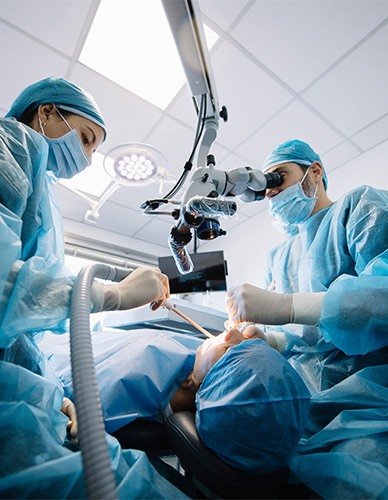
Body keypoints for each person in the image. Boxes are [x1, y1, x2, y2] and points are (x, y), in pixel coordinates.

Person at [0, 77, 185, 499]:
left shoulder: (41, 188)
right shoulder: (9, 145)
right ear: (46, 111)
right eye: (85, 138)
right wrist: (112, 295)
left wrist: (54, 399)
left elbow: (20, 333)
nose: (86, 155)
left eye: (94, 147)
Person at [225, 139, 388, 499]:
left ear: (314, 171)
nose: (273, 193)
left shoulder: (361, 208)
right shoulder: (280, 257)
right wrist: (270, 340)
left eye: (279, 178)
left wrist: (288, 307)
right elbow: (303, 337)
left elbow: (383, 298)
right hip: (304, 399)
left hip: (370, 402)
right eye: (266, 191)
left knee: (357, 479)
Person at [41, 324, 311, 476]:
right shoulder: (193, 359)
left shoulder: (123, 399)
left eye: (232, 349)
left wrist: (56, 400)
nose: (230, 332)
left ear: (213, 389)